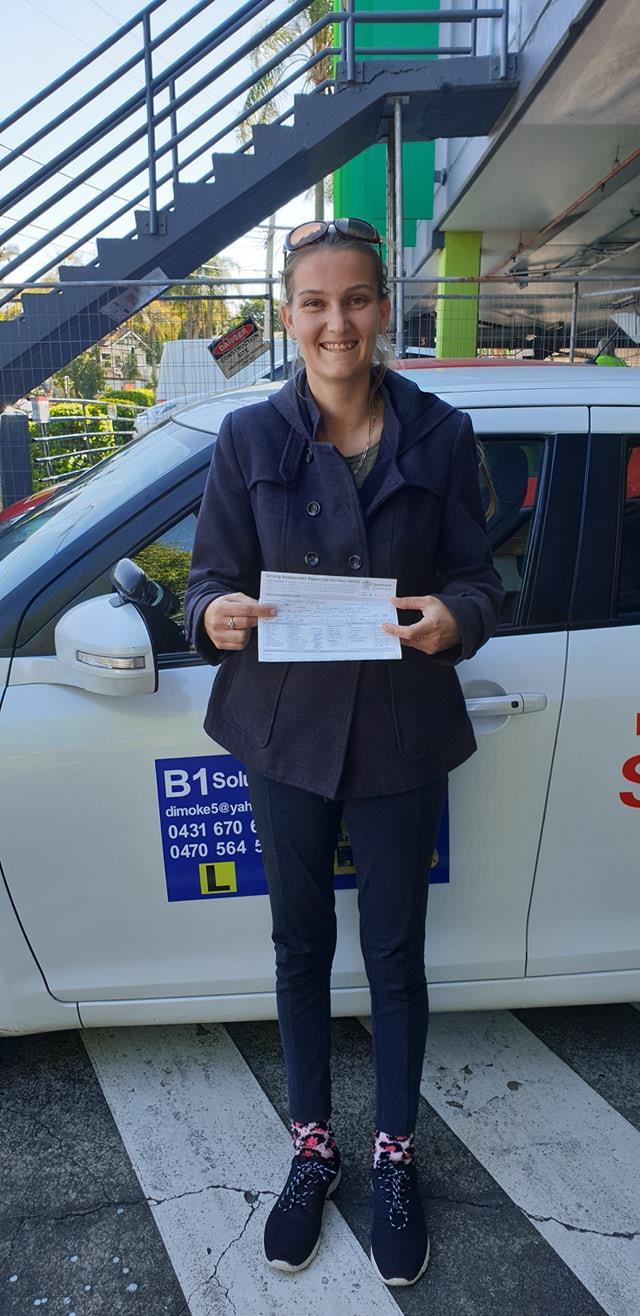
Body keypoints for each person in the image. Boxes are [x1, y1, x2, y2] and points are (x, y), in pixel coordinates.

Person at [183, 217, 506, 1288]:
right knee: (299, 944)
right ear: (289, 316)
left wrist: (455, 619)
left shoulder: (440, 434)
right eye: (315, 302)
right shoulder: (247, 439)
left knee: (397, 952)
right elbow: (208, 579)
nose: (337, 322)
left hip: (401, 731)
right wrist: (215, 612)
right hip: (284, 731)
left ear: (383, 308)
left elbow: (478, 578)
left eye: (357, 299)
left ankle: (394, 1153)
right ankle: (312, 1146)